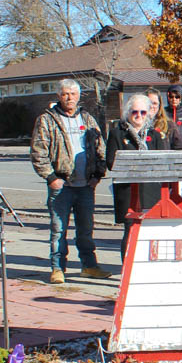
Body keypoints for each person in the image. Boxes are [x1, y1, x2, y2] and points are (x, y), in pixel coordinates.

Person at [29, 79, 108, 284]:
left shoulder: (87, 119)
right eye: (65, 94)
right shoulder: (47, 120)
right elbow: (38, 152)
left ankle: (89, 266)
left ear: (79, 96)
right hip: (61, 186)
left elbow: (101, 148)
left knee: (86, 230)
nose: (69, 97)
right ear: (59, 96)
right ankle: (57, 268)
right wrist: (51, 177)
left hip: (85, 185)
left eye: (73, 94)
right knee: (59, 230)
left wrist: (97, 176)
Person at [106, 93, 169, 259]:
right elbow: (111, 162)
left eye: (143, 112)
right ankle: (127, 267)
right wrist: (138, 165)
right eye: (135, 112)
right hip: (128, 191)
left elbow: (162, 162)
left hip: (151, 191)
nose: (139, 115)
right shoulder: (117, 134)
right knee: (130, 230)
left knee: (151, 232)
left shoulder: (155, 135)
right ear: (128, 113)